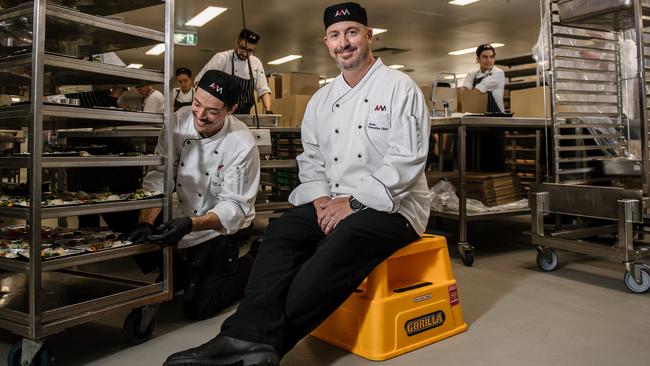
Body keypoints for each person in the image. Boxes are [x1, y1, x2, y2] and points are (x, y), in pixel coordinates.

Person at [163, 2, 431, 365]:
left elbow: (407, 160)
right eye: (335, 36)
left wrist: (351, 204)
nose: (344, 42)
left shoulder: (400, 88)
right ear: (326, 42)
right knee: (280, 233)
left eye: (352, 32)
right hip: (332, 201)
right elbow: (312, 159)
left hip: (395, 207)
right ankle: (247, 340)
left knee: (341, 242)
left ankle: (257, 342)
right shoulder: (322, 100)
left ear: (369, 36)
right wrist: (321, 199)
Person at [123, 70, 261, 320]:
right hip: (184, 218)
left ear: (231, 109)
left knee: (199, 308)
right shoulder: (177, 121)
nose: (200, 115)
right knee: (136, 232)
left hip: (221, 228)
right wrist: (145, 220)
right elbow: (160, 174)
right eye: (197, 104)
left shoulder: (241, 143)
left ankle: (253, 261)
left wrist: (190, 225)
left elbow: (234, 208)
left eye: (212, 111)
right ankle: (187, 268)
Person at [195, 28, 273, 114]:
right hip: (221, 114)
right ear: (236, 43)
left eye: (250, 50)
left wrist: (268, 110)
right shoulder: (222, 58)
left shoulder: (256, 63)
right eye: (242, 48)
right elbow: (200, 81)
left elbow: (263, 90)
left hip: (245, 114)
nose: (245, 53)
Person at [462, 43, 506, 113]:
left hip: (496, 116)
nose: (489, 60)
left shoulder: (498, 73)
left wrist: (468, 95)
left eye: (491, 57)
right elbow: (465, 93)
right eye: (485, 57)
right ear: (478, 59)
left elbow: (478, 91)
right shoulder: (472, 73)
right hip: (478, 114)